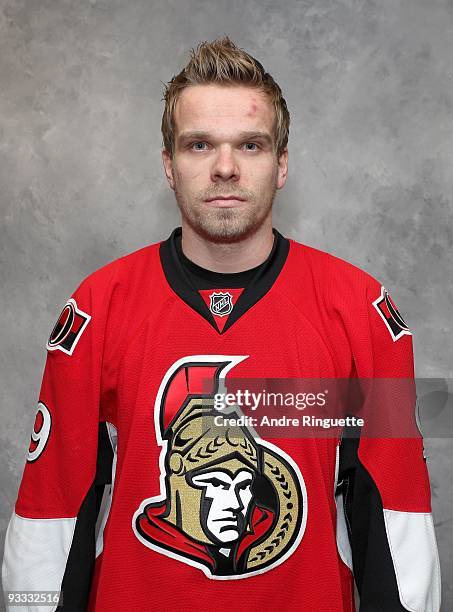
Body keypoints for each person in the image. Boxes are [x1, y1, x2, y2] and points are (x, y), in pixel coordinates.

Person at [2, 36, 441, 611]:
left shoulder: (360, 312)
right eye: (199, 144)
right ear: (169, 164)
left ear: (281, 164)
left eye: (251, 145)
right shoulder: (97, 308)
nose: (226, 167)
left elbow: (394, 519)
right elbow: (52, 515)